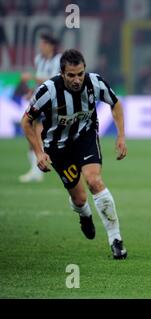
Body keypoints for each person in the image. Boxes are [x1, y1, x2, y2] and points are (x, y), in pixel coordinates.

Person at [20, 49, 128, 259]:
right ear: (62, 73)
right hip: (58, 148)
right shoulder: (48, 91)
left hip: (85, 138)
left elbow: (115, 104)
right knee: (79, 199)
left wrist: (121, 136)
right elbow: (26, 121)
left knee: (95, 181)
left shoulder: (95, 82)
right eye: (71, 75)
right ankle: (84, 214)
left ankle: (116, 239)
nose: (77, 79)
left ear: (84, 70)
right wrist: (39, 153)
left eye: (80, 74)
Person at [19, 33, 62, 183]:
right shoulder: (39, 59)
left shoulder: (59, 60)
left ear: (51, 46)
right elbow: (40, 83)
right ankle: (35, 170)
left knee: (38, 134)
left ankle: (38, 170)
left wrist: (31, 77)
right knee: (31, 132)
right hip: (39, 101)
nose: (40, 47)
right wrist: (31, 92)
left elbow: (55, 80)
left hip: (53, 102)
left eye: (43, 44)